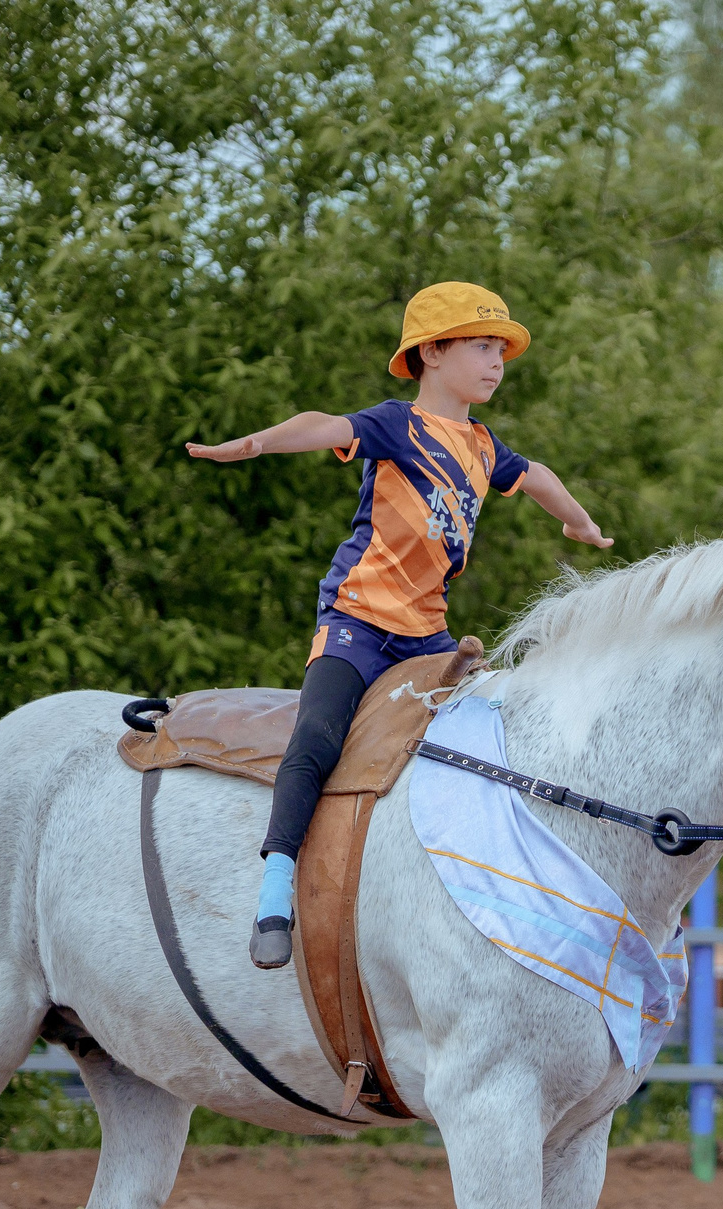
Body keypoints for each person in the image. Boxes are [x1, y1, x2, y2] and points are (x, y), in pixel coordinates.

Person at [186, 282, 614, 968]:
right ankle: (274, 887)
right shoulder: (395, 424)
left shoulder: (481, 445)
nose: (497, 361)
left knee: (489, 739)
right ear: (433, 353)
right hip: (359, 622)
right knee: (318, 736)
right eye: (482, 346)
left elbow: (535, 474)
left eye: (501, 349)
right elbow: (324, 425)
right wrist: (255, 444)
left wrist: (576, 519)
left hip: (427, 637)